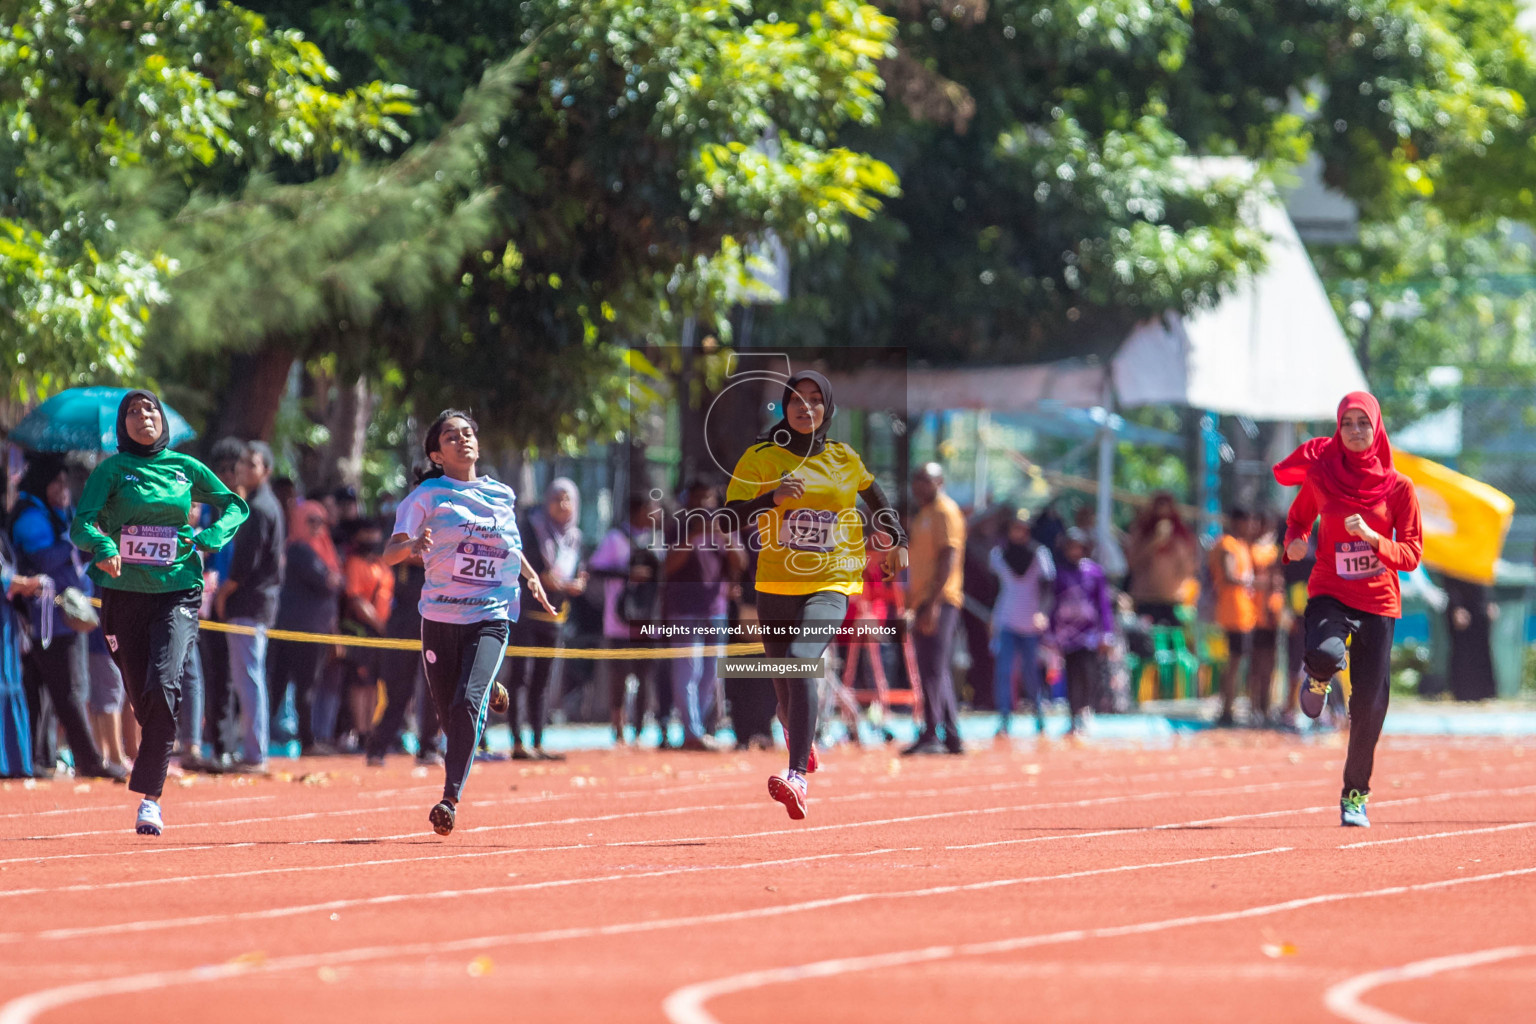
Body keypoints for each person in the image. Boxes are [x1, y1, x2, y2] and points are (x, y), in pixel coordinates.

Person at [724, 370, 906, 819]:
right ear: (784, 407)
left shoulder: (844, 458)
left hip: (832, 581)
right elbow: (728, 518)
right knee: (786, 697)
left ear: (827, 408)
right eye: (797, 400)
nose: (806, 408)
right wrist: (771, 498)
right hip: (775, 586)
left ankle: (796, 778)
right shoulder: (761, 458)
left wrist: (896, 540)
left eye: (815, 400)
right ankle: (799, 741)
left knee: (802, 660)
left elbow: (879, 502)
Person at [71, 390, 249, 835]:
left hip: (178, 591)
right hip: (123, 595)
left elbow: (234, 505)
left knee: (166, 682)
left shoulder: (184, 467)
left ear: (162, 420)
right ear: (122, 424)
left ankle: (150, 798)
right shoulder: (111, 470)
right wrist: (105, 544)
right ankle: (152, 766)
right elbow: (82, 524)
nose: (142, 416)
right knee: (141, 692)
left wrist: (211, 537)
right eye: (133, 410)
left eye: (150, 408)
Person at [383, 409, 554, 835]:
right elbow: (388, 554)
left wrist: (532, 579)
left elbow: (510, 549)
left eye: (467, 433)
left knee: (466, 704)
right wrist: (412, 546)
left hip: (491, 614)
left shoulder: (501, 494)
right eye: (451, 437)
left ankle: (449, 797)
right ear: (437, 455)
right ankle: (490, 689)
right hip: (440, 614)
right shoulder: (426, 496)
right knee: (448, 716)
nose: (463, 441)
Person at [1275, 392, 1422, 828]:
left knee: (1370, 705)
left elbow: (1411, 554)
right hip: (1330, 591)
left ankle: (1355, 794)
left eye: (1363, 423)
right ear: (1338, 429)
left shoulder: (1399, 488)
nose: (1355, 431)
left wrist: (1376, 540)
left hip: (1378, 602)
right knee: (1323, 651)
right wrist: (1294, 542)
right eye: (1347, 423)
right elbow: (1298, 519)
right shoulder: (1322, 477)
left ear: (1377, 429)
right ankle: (1318, 677)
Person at [9, 454, 120, 780]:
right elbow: (42, 558)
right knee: (70, 692)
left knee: (52, 692)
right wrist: (74, 539)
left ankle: (42, 758)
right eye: (56, 482)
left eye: (65, 482)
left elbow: (78, 553)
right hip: (47, 621)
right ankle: (89, 760)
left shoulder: (59, 514)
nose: (64, 488)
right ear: (42, 484)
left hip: (68, 618)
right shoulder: (30, 516)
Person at [215, 441, 284, 771]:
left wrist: (222, 594)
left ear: (266, 471)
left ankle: (255, 753)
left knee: (248, 678)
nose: (242, 468)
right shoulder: (261, 505)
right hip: (257, 602)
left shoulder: (258, 508)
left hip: (250, 603)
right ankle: (254, 749)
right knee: (249, 676)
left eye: (251, 463)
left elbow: (245, 565)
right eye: (241, 462)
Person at [506, 478, 587, 760]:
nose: (562, 505)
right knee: (521, 677)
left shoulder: (575, 536)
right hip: (526, 614)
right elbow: (539, 575)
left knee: (543, 680)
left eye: (568, 499)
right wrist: (559, 583)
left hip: (556, 618)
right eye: (557, 498)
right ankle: (517, 742)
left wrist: (576, 584)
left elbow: (575, 574)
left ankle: (538, 741)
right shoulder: (531, 528)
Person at [664, 480, 744, 751]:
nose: (704, 505)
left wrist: (723, 536)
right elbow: (668, 566)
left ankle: (697, 729)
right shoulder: (678, 526)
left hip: (716, 611)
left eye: (709, 499)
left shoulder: (723, 528)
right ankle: (691, 731)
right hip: (684, 609)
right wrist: (694, 536)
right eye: (698, 499)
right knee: (689, 670)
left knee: (712, 673)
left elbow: (741, 563)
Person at [588, 493, 663, 746]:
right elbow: (595, 568)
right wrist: (627, 573)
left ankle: (640, 729)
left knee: (645, 675)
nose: (657, 514)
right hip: (619, 620)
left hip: (649, 618)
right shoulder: (615, 538)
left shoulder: (658, 540)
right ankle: (618, 729)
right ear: (639, 510)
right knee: (618, 675)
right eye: (652, 509)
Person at [269, 499, 341, 754]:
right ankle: (304, 740)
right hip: (299, 629)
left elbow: (334, 581)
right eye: (311, 521)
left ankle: (303, 738)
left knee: (302, 684)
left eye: (321, 521)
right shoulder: (298, 549)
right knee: (295, 685)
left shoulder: (323, 548)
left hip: (316, 629)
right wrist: (331, 578)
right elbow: (327, 581)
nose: (317, 527)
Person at [903, 462, 965, 756]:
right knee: (934, 669)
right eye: (915, 479)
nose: (918, 486)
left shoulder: (944, 511)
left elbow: (948, 557)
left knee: (933, 669)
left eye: (924, 480)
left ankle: (932, 732)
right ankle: (951, 735)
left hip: (940, 600)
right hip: (923, 601)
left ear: (940, 482)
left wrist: (933, 603)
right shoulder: (924, 514)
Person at [989, 508, 1055, 737]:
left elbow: (1048, 587)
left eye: (1024, 528)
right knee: (1004, 672)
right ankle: (1004, 720)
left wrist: (1043, 612)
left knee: (1031, 673)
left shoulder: (1040, 554)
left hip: (1030, 623)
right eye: (1016, 527)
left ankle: (1039, 718)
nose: (1020, 532)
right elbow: (994, 588)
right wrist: (992, 619)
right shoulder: (998, 554)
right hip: (1006, 620)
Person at [1048, 528, 1114, 735]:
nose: (1075, 551)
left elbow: (1103, 604)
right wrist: (1050, 633)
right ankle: (1073, 715)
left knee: (1089, 673)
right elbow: (1052, 604)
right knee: (1071, 675)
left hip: (1089, 634)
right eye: (1071, 547)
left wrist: (1106, 632)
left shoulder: (1094, 572)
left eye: (1078, 547)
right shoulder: (1058, 574)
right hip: (1067, 635)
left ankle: (1086, 711)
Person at [335, 519, 393, 752]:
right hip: (362, 629)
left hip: (382, 631)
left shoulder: (381, 562)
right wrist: (379, 624)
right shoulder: (355, 563)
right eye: (367, 532)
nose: (373, 538)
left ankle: (370, 729)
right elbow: (355, 598)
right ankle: (359, 731)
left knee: (373, 683)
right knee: (360, 681)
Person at [0, 531, 46, 777]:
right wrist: (27, 584)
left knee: (11, 686)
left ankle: (16, 762)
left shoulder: (3, 537)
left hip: (6, 623)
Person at [1210, 507, 1257, 728]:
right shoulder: (1227, 544)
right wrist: (1257, 584)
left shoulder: (1242, 546)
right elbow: (1229, 576)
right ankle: (1226, 708)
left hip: (1244, 613)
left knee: (1238, 662)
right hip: (1232, 612)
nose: (1251, 526)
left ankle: (1229, 707)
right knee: (1233, 663)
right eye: (1247, 521)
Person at [1126, 494, 1198, 626]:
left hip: (1173, 599)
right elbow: (1132, 563)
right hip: (1146, 598)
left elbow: (1189, 569)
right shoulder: (1141, 532)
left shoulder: (1182, 536)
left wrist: (1177, 546)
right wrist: (1155, 541)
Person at [1248, 513, 1284, 725]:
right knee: (1256, 663)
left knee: (1269, 663)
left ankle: (1266, 705)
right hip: (1254, 615)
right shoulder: (1252, 549)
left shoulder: (1277, 550)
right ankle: (1254, 706)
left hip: (1272, 614)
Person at [1444, 575, 1497, 702]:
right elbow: (1448, 577)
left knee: (1482, 649)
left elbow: (1484, 574)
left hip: (1480, 602)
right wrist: (1456, 606)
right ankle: (1463, 693)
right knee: (1462, 650)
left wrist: (1490, 600)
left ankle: (1485, 693)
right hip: (1460, 601)